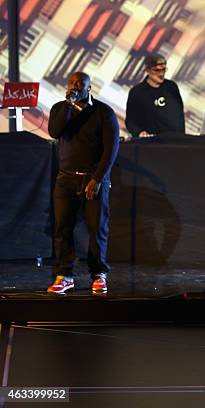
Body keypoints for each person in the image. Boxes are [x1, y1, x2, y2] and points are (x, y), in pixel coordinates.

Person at [47, 72, 120, 294]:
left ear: (89, 87)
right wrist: (68, 106)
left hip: (93, 179)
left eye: (79, 83)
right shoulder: (60, 108)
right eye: (71, 82)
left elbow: (111, 148)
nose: (74, 86)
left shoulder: (103, 112)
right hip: (66, 178)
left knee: (97, 228)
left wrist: (97, 178)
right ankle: (65, 275)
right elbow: (54, 131)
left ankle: (98, 274)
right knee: (62, 228)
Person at [125, 54, 185, 138]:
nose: (161, 74)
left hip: (172, 141)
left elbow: (179, 117)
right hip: (150, 143)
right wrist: (139, 132)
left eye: (163, 69)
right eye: (156, 70)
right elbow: (130, 121)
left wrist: (181, 138)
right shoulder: (137, 92)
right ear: (147, 70)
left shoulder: (171, 87)